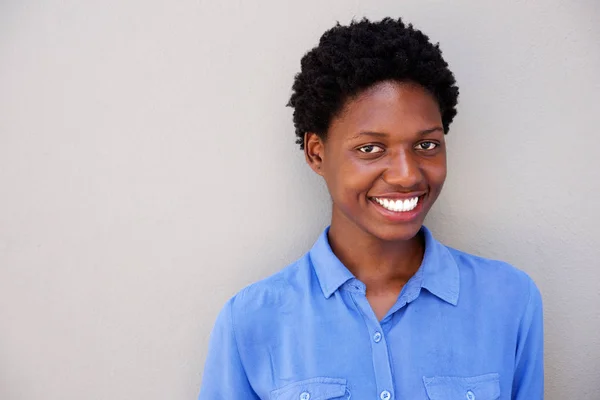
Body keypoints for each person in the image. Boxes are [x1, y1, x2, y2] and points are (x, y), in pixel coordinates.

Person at [198, 17, 543, 400]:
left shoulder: (509, 300)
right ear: (317, 153)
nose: (406, 175)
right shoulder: (251, 320)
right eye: (370, 149)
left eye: (426, 145)